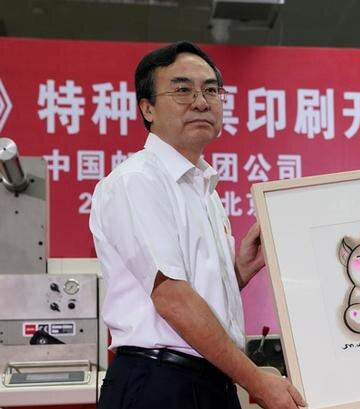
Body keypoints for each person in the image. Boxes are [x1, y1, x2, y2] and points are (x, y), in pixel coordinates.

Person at [89, 41, 306, 409]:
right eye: (182, 90)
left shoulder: (204, 189)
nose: (201, 102)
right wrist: (255, 379)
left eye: (211, 90)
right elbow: (172, 299)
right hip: (159, 386)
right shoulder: (139, 180)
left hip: (208, 381)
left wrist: (238, 272)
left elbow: (190, 291)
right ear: (147, 108)